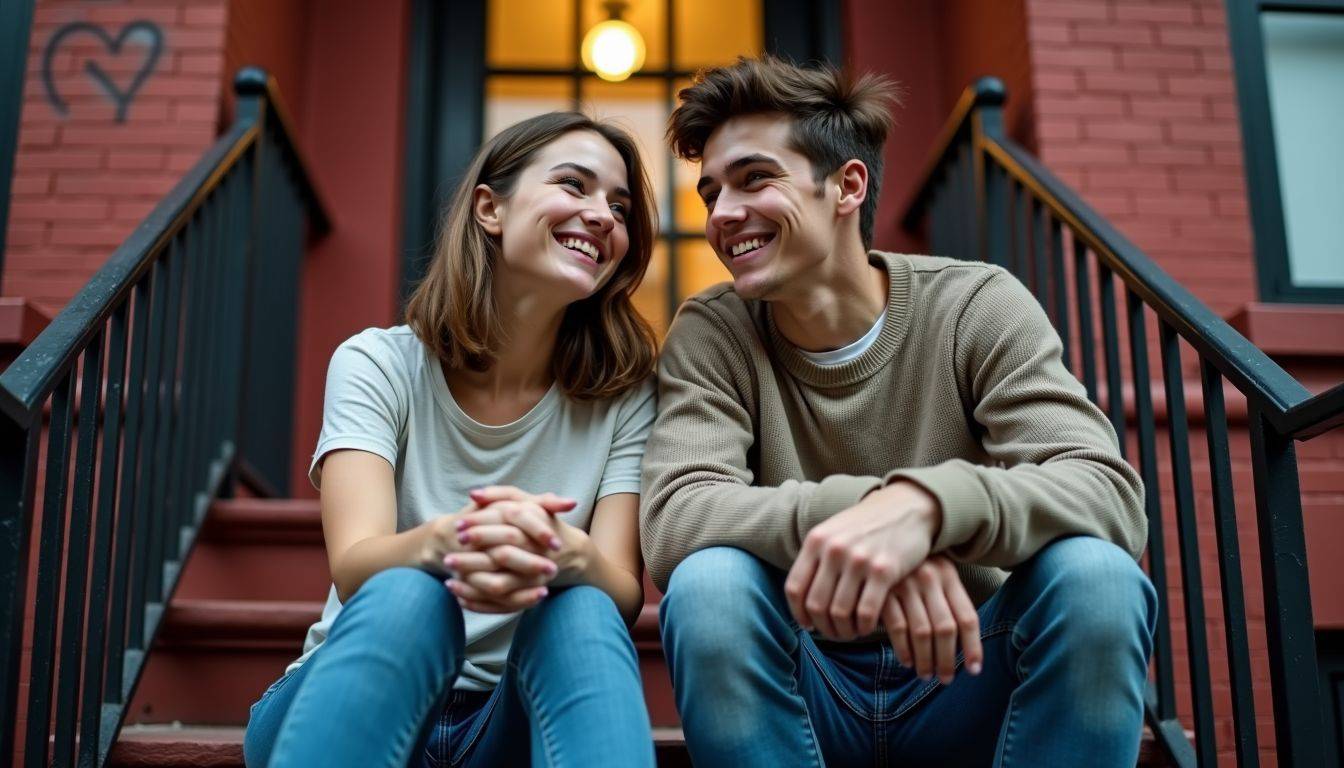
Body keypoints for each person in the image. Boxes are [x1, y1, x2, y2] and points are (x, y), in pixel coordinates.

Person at [641, 56, 1158, 766]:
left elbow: (1107, 491)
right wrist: (877, 517)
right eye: (710, 193)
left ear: (847, 186)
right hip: (808, 682)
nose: (723, 215)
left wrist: (928, 511)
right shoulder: (713, 329)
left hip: (971, 667)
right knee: (709, 587)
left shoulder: (974, 305)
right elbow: (677, 517)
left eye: (755, 178)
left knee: (1098, 578)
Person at [244, 111, 660, 767]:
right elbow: (355, 566)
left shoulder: (627, 395)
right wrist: (452, 541)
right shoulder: (377, 364)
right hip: (351, 698)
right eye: (574, 185)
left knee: (581, 606)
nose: (603, 215)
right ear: (490, 209)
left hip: (508, 724)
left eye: (620, 205)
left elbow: (622, 588)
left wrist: (563, 552)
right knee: (410, 593)